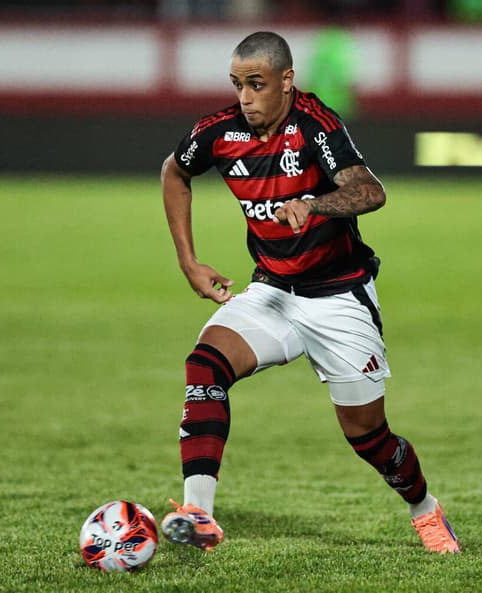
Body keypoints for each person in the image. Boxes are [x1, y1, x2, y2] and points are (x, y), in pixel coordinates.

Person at [159, 31, 459, 555]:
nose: (245, 97)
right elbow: (175, 170)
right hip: (273, 291)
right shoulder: (217, 132)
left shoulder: (316, 124)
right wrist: (189, 260)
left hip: (340, 296)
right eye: (237, 85)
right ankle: (198, 513)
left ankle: (425, 510)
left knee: (369, 437)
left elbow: (370, 190)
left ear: (287, 80)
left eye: (256, 84)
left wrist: (314, 205)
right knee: (206, 365)